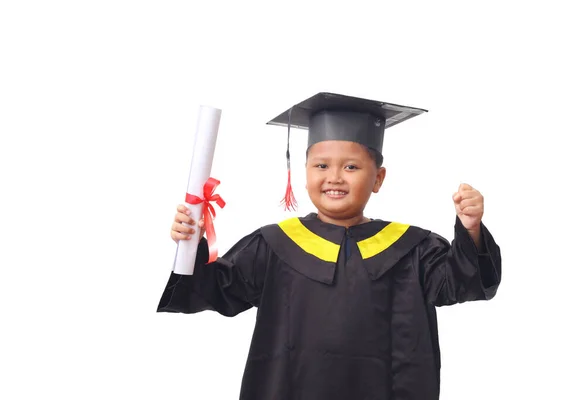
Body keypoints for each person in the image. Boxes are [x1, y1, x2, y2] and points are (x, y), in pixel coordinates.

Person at [157, 92, 502, 400]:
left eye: (351, 167)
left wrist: (470, 230)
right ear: (304, 173)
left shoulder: (412, 248)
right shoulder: (275, 245)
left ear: (378, 178)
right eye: (321, 165)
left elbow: (462, 281)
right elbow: (214, 289)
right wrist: (193, 244)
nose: (334, 177)